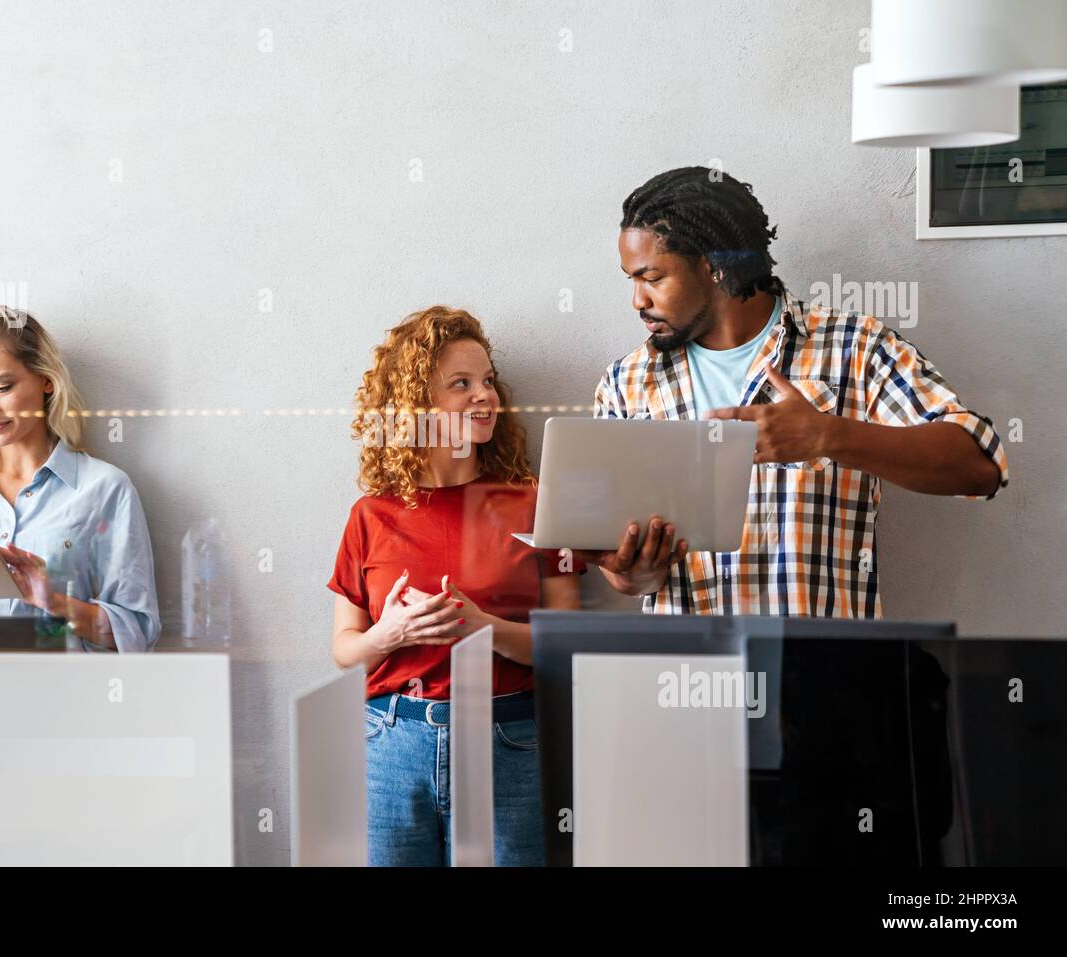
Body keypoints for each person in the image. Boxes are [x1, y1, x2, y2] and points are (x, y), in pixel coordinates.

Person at [582, 167, 1009, 615]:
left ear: (713, 267)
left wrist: (828, 435)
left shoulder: (854, 347)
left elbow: (980, 466)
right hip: (690, 677)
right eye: (631, 280)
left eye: (651, 278)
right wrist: (635, 570)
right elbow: (633, 580)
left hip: (823, 675)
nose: (638, 301)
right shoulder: (627, 382)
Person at [328, 305, 583, 866]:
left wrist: (484, 629)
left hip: (510, 739)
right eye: (461, 384)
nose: (484, 395)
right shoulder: (371, 515)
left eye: (488, 381)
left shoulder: (537, 503)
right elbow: (345, 649)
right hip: (394, 741)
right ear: (415, 401)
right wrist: (387, 634)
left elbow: (569, 644)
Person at [0, 305, 161, 652]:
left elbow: (138, 630)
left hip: (61, 699)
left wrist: (52, 601)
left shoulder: (104, 490)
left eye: (2, 387)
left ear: (46, 381)